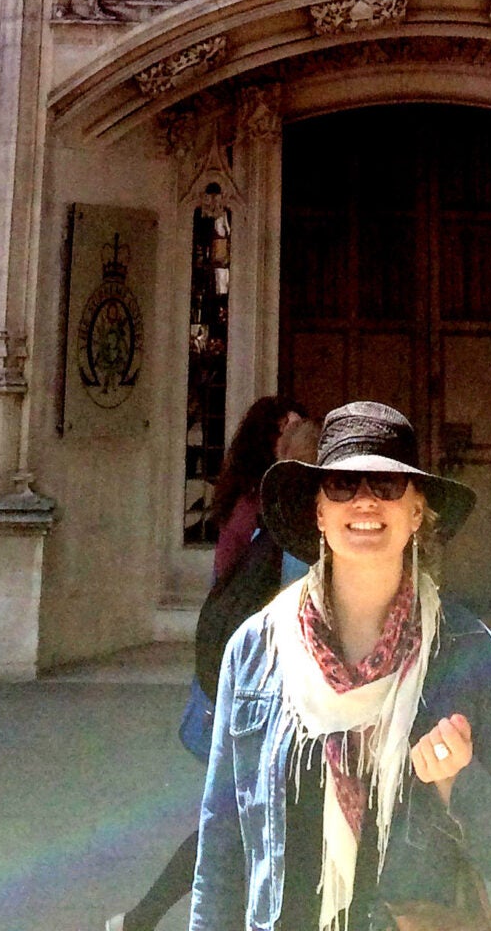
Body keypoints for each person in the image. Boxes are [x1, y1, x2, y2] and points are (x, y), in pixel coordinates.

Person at [191, 400, 491, 931]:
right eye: (342, 485)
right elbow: (220, 849)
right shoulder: (256, 650)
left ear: (417, 512)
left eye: (387, 485)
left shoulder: (467, 653)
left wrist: (458, 782)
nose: (365, 500)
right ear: (318, 512)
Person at [109, 399, 314, 931]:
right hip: (267, 695)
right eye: (289, 429)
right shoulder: (279, 518)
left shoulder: (263, 510)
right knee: (237, 824)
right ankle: (143, 919)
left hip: (247, 685)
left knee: (243, 823)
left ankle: (141, 919)